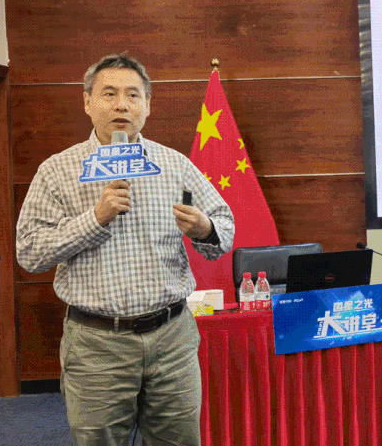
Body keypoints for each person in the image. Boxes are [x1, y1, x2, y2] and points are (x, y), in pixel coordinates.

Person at [16, 53, 235, 446]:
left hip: (172, 338)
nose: (121, 105)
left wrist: (205, 227)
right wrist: (94, 218)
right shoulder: (56, 171)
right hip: (97, 344)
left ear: (147, 106)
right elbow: (30, 252)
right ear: (87, 102)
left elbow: (225, 228)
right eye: (109, 94)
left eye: (133, 95)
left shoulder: (174, 165)